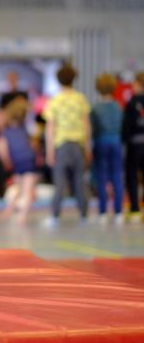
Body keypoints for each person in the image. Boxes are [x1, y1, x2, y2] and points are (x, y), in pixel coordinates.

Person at [43, 64, 91, 227]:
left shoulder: (55, 101)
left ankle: (54, 215)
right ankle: (84, 214)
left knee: (59, 182)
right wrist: (88, 147)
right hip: (78, 145)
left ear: (58, 80)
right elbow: (86, 125)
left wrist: (49, 151)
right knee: (79, 181)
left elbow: (50, 128)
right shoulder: (80, 99)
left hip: (61, 146)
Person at [90, 73, 124, 225]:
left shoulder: (95, 108)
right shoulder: (118, 107)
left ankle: (103, 211)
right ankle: (118, 212)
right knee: (117, 176)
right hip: (116, 143)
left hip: (101, 143)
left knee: (102, 177)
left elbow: (92, 129)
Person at [0, 98, 37, 225]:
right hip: (28, 161)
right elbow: (31, 145)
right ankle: (22, 216)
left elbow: (2, 148)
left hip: (18, 162)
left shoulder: (6, 132)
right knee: (27, 190)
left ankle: (8, 211)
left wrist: (6, 161)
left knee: (19, 188)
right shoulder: (24, 130)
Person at [122, 71, 144, 223]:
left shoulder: (131, 102)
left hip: (134, 144)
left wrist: (124, 140)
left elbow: (126, 126)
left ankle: (135, 208)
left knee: (132, 176)